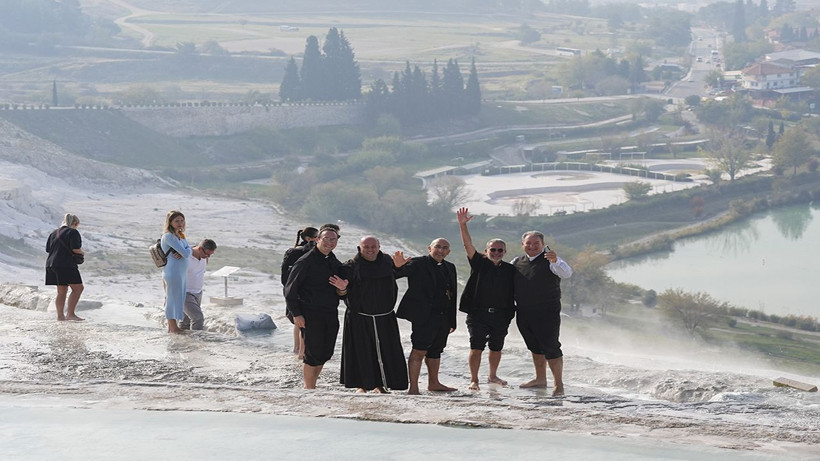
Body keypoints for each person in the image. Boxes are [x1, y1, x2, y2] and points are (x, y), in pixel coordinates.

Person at [336, 236, 408, 393]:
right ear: (359, 248)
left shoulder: (387, 261)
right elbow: (342, 293)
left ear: (379, 247)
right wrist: (342, 289)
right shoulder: (350, 266)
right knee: (361, 351)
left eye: (373, 246)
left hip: (385, 316)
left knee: (387, 351)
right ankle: (361, 386)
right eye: (366, 247)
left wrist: (399, 267)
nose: (370, 250)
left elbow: (398, 273)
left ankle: (381, 385)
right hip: (359, 316)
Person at [456, 208, 516, 391]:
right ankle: (474, 379)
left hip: (501, 315)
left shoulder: (510, 270)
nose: (496, 252)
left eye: (500, 250)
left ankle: (492, 376)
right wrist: (462, 225)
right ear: (486, 250)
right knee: (476, 347)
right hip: (478, 314)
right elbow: (467, 244)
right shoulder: (479, 262)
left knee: (496, 348)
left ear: (504, 252)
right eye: (493, 249)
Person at [511, 230, 572, 396]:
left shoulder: (551, 260)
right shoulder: (516, 261)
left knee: (551, 347)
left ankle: (558, 384)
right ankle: (540, 379)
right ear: (522, 245)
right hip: (524, 312)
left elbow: (567, 273)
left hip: (547, 313)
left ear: (543, 244)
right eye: (528, 243)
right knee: (534, 347)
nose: (532, 246)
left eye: (536, 243)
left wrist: (556, 260)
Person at [394, 238, 457, 395]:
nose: (440, 250)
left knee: (436, 351)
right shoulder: (418, 263)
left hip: (443, 317)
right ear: (430, 248)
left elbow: (453, 294)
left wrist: (452, 321)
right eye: (437, 247)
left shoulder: (450, 267)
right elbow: (397, 274)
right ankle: (413, 388)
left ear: (449, 252)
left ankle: (434, 383)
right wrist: (398, 265)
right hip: (423, 316)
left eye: (444, 248)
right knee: (419, 350)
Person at [284, 227, 344, 389]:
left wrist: (343, 288)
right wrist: (296, 314)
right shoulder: (306, 261)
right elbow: (290, 289)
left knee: (325, 352)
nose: (330, 242)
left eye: (333, 239)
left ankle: (312, 386)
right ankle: (309, 388)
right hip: (310, 313)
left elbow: (343, 286)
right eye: (326, 239)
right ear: (317, 239)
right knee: (312, 353)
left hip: (330, 312)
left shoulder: (333, 261)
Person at [281, 226, 319, 358]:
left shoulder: (293, 251)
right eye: (317, 237)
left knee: (299, 322)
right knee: (303, 322)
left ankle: (297, 349)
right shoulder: (304, 253)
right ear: (309, 239)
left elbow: (284, 277)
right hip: (299, 293)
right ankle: (301, 353)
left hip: (292, 292)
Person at [45, 213, 86, 321]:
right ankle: (70, 314)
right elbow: (75, 249)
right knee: (78, 288)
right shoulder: (73, 232)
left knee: (61, 291)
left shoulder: (54, 233)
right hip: (66, 264)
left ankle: (60, 316)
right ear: (75, 223)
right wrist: (82, 253)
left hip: (51, 264)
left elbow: (48, 249)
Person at [161, 210, 192, 334]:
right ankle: (173, 327)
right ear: (170, 222)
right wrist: (186, 250)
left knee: (178, 298)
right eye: (177, 221)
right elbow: (186, 253)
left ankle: (172, 327)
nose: (180, 223)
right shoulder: (168, 236)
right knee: (171, 299)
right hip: (173, 272)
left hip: (180, 273)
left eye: (182, 220)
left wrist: (186, 250)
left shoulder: (180, 235)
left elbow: (187, 250)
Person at [179, 239, 217, 331]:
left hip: (198, 293)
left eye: (210, 255)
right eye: (207, 254)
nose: (208, 257)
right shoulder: (185, 256)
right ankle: (197, 339)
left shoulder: (204, 257)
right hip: (184, 293)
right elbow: (169, 274)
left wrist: (206, 255)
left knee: (186, 321)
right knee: (198, 318)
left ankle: (181, 339)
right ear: (200, 249)